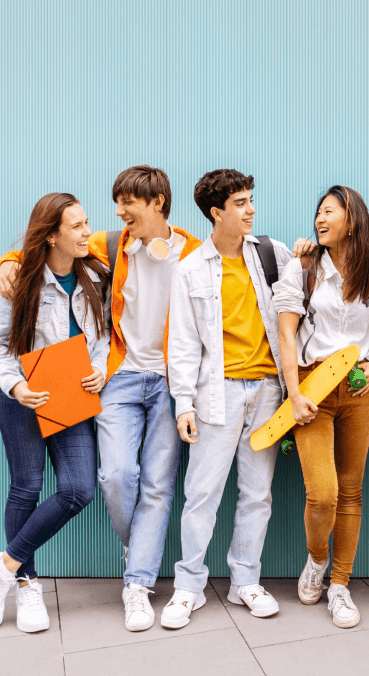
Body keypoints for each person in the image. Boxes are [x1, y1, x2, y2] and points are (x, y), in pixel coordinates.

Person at [0, 166, 203, 631]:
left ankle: (137, 583)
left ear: (157, 202)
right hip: (119, 378)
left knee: (157, 485)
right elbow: (41, 249)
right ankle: (136, 548)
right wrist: (6, 261)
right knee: (113, 476)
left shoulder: (193, 252)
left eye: (127, 201)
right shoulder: (109, 246)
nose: (118, 212)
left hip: (171, 382)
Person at [161, 169, 295, 628]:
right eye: (240, 203)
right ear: (216, 213)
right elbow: (181, 343)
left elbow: (298, 312)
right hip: (215, 394)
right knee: (202, 493)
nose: (250, 209)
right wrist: (184, 404)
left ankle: (245, 582)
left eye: (251, 199)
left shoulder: (272, 255)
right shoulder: (191, 268)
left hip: (268, 391)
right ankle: (188, 586)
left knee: (257, 495)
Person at [0, 193, 109, 633]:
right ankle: (28, 584)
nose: (87, 231)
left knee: (78, 490)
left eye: (87, 222)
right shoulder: (20, 280)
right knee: (26, 488)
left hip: (73, 397)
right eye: (77, 226)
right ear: (52, 236)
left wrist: (102, 369)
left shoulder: (98, 275)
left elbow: (106, 336)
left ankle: (1, 567)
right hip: (23, 399)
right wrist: (16, 385)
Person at [273, 186, 369, 628]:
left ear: (352, 219)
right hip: (312, 388)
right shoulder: (302, 266)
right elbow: (286, 334)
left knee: (352, 491)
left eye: (329, 212)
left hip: (360, 388)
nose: (320, 220)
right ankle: (318, 561)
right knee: (322, 493)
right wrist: (294, 392)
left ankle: (340, 585)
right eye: (318, 213)